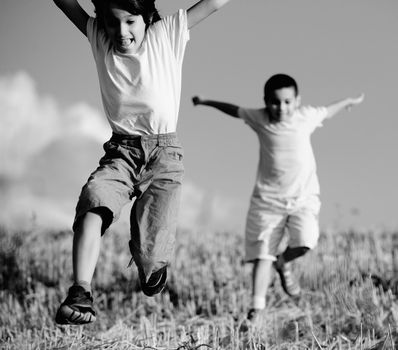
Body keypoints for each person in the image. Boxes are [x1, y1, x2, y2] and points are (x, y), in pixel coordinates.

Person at [53, 0, 232, 325]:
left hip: (164, 157)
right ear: (102, 22)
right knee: (94, 201)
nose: (122, 32)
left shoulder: (166, 34)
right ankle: (81, 291)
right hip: (121, 152)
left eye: (130, 22)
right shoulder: (99, 37)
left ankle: (151, 264)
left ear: (146, 18)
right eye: (113, 23)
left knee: (152, 257)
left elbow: (215, 3)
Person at [192, 73, 364, 320]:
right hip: (268, 200)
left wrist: (348, 101)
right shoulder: (259, 118)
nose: (281, 107)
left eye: (287, 102)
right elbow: (233, 109)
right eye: (275, 102)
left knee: (306, 241)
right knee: (263, 254)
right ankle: (256, 309)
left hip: (303, 197)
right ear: (265, 101)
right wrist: (206, 101)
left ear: (297, 101)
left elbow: (328, 110)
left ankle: (283, 262)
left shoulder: (306, 116)